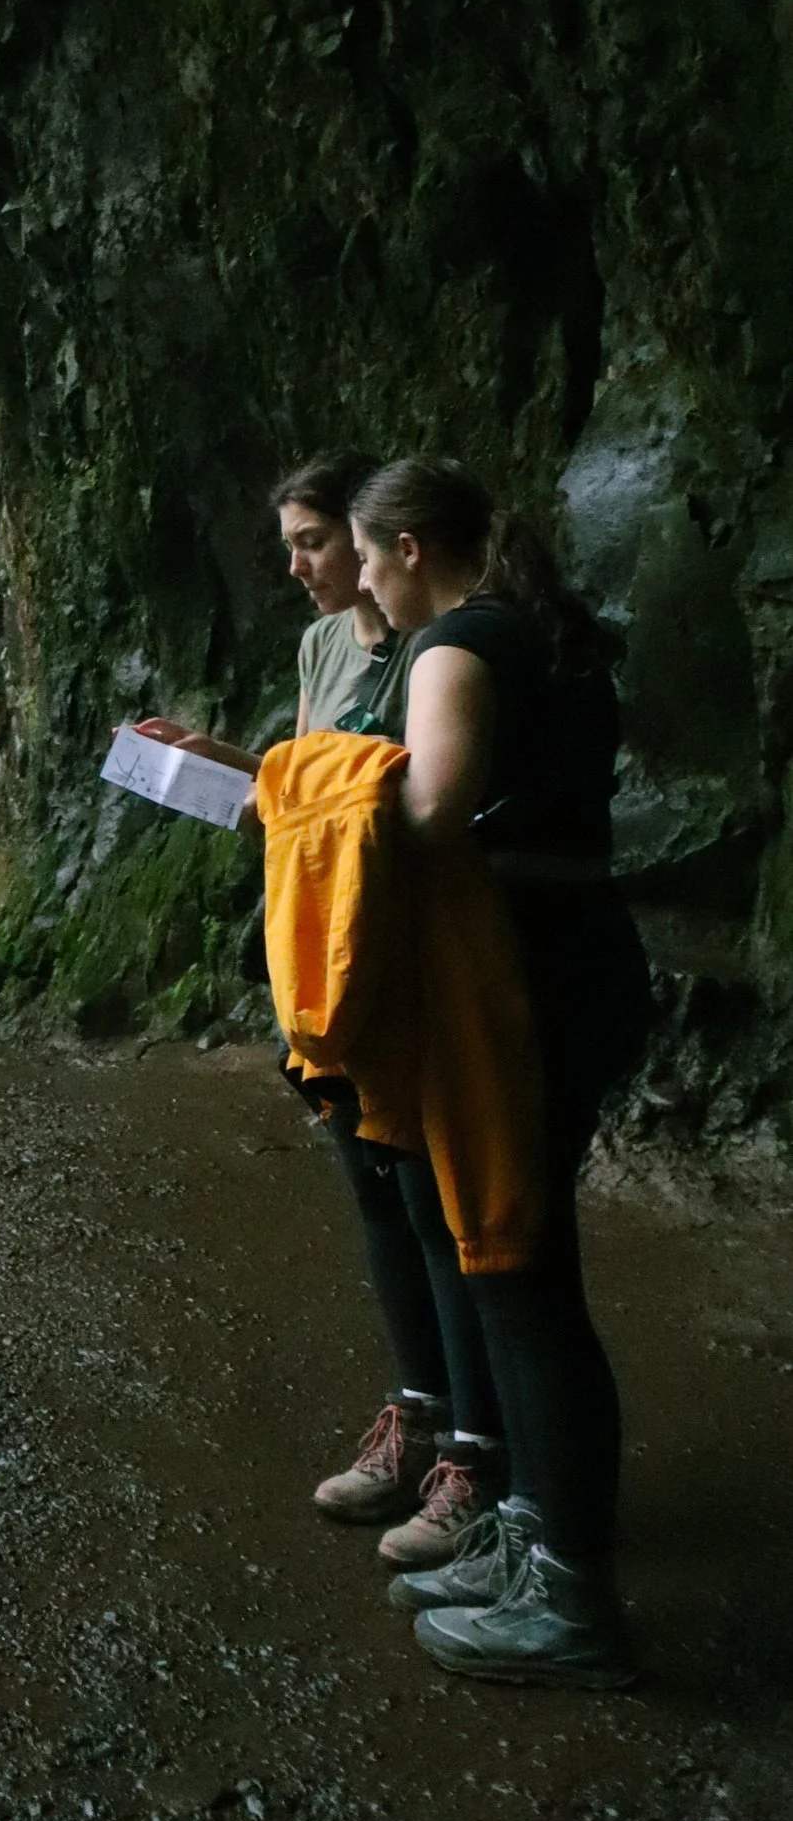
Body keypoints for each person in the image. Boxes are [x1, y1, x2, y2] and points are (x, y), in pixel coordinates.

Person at [140, 457, 506, 1569]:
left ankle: (476, 1454)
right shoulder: (320, 647)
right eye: (293, 542)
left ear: (375, 540)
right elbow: (305, 787)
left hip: (416, 956)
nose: (295, 565)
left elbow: (427, 798)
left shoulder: (445, 647)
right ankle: (412, 1414)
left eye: (309, 541)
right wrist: (224, 769)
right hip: (324, 959)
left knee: (441, 1201)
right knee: (373, 1194)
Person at [347, 457, 651, 1689]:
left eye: (366, 555)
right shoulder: (532, 635)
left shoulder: (458, 648)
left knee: (521, 1281)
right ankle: (532, 1541)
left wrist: (306, 789)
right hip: (564, 972)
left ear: (412, 548)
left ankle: (572, 1601)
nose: (359, 580)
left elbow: (430, 808)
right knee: (501, 1265)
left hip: (517, 994)